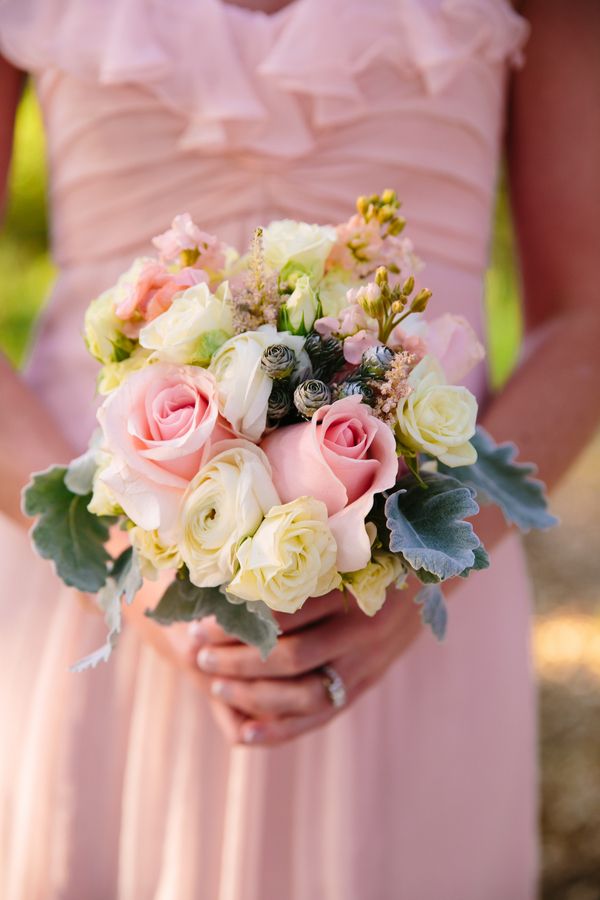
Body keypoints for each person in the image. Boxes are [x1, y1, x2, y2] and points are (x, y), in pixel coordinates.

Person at [0, 0, 598, 897]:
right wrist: (135, 565)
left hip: (420, 608)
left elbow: (585, 314)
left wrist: (431, 570)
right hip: (97, 589)